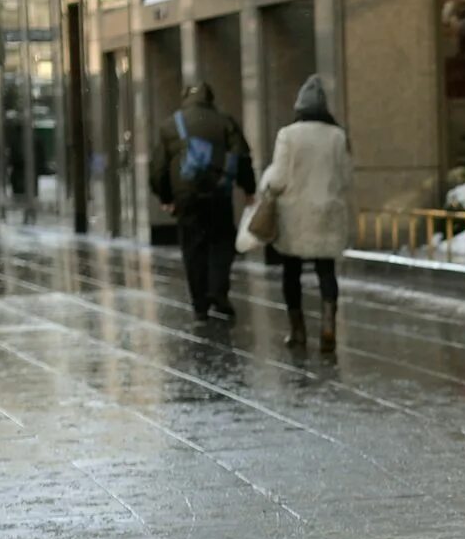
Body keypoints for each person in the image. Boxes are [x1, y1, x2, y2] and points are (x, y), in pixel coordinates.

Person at [260, 75, 354, 350]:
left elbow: (277, 179)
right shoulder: (338, 136)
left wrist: (266, 187)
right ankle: (328, 326)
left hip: (295, 215)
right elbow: (346, 178)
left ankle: (297, 329)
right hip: (327, 211)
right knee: (326, 271)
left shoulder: (288, 135)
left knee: (291, 272)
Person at [150, 83, 254, 322]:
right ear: (210, 98)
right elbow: (242, 156)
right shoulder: (225, 122)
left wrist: (166, 197)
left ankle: (199, 303)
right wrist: (249, 188)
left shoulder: (170, 126)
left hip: (186, 195)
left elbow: (158, 169)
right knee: (221, 242)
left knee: (192, 247)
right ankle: (218, 292)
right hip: (219, 192)